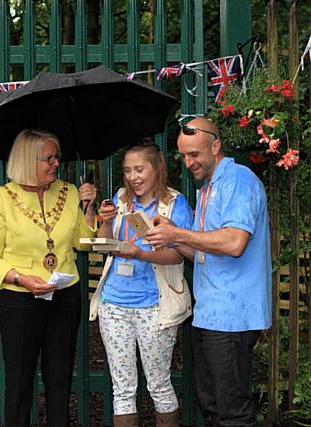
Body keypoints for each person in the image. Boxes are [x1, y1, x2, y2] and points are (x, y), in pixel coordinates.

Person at [146, 118, 272, 427]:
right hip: (209, 313)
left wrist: (179, 233)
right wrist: (171, 237)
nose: (188, 162)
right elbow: (202, 251)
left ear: (215, 146)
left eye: (194, 154)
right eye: (184, 156)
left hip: (233, 315)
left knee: (233, 412)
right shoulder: (208, 188)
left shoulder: (238, 181)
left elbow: (234, 242)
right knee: (214, 406)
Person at [0, 128, 97, 427]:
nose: (56, 163)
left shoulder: (69, 192)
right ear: (28, 160)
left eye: (58, 156)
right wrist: (21, 279)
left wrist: (88, 208)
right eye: (49, 158)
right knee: (19, 380)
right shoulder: (2, 198)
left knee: (59, 377)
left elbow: (82, 243)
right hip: (20, 299)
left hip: (65, 295)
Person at [89, 141, 194, 427]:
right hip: (114, 303)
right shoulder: (121, 199)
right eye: (127, 171)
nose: (133, 177)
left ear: (156, 168)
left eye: (139, 169)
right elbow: (104, 245)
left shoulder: (174, 204)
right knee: (121, 388)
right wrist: (105, 222)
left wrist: (140, 253)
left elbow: (179, 255)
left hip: (155, 306)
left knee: (159, 384)